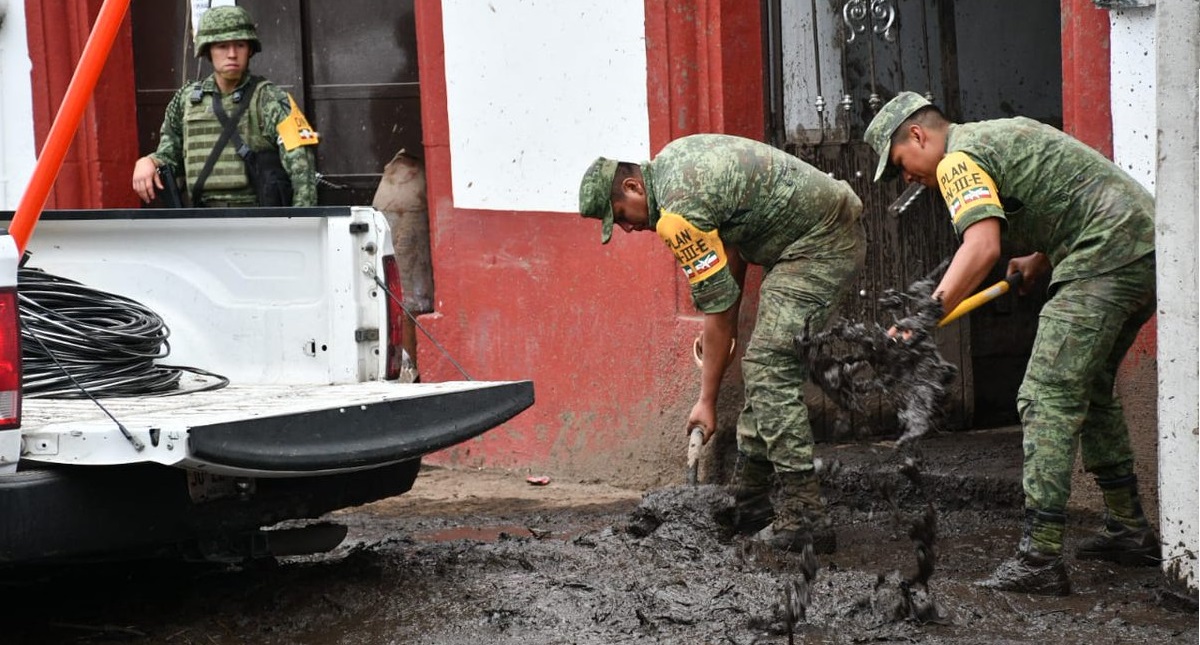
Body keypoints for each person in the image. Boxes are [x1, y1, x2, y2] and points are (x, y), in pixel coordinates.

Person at [865, 92, 1159, 595]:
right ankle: (1128, 528)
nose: (909, 179)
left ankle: (1040, 557)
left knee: (1044, 396)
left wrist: (924, 317)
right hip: (1143, 246)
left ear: (918, 135)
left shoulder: (957, 159)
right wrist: (1041, 256)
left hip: (1105, 254)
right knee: (1090, 391)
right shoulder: (991, 138)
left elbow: (981, 245)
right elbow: (1066, 190)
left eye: (901, 165)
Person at [578, 134, 866, 553]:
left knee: (768, 367)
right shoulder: (675, 161)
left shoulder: (675, 215)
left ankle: (805, 516)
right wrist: (720, 320)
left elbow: (719, 309)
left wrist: (706, 400)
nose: (627, 227)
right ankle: (750, 501)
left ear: (634, 187)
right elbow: (729, 271)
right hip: (812, 238)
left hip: (821, 244)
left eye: (621, 215)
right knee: (766, 367)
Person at [131, 5, 319, 207]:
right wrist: (150, 162)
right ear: (208, 50)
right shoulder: (187, 100)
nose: (232, 54)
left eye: (239, 45)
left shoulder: (269, 98)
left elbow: (302, 167)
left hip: (258, 222)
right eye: (222, 46)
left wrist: (302, 223)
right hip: (202, 222)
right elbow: (170, 155)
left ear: (250, 50)